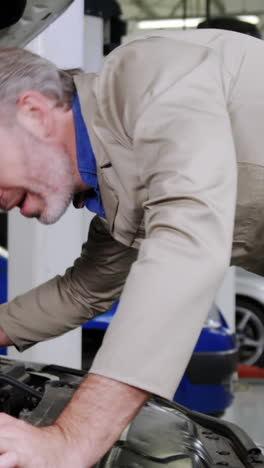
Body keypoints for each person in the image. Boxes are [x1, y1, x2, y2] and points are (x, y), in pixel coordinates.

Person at [0, 27, 263, 467]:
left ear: (32, 112)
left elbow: (187, 238)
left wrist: (70, 439)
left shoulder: (146, 74)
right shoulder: (120, 183)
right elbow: (83, 291)